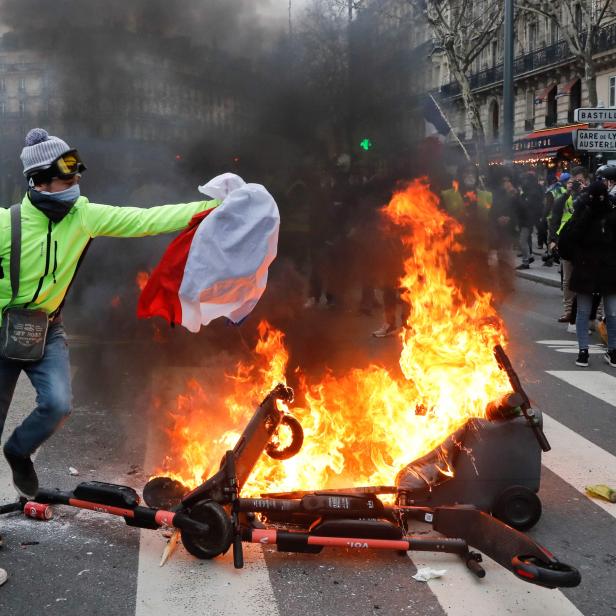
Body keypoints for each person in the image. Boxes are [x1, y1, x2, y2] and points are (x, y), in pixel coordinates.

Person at [0, 128, 219, 500]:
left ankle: (18, 451)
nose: (76, 182)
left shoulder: (84, 216)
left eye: (76, 174)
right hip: (3, 330)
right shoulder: (6, 224)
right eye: (66, 176)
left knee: (58, 405)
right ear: (38, 182)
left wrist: (214, 208)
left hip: (47, 330)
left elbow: (147, 219)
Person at [558, 181, 616, 368]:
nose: (597, 200)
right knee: (585, 312)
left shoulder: (611, 215)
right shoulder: (583, 214)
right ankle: (584, 350)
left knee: (612, 312)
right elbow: (570, 238)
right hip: (589, 269)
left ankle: (611, 350)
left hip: (605, 269)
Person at [550, 166, 590, 322]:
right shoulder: (563, 199)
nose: (575, 184)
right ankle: (568, 311)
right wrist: (552, 240)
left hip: (586, 244)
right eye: (573, 181)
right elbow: (554, 219)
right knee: (567, 279)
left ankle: (595, 314)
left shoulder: (591, 195)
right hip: (567, 242)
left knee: (589, 278)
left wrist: (585, 192)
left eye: (579, 181)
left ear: (586, 180)